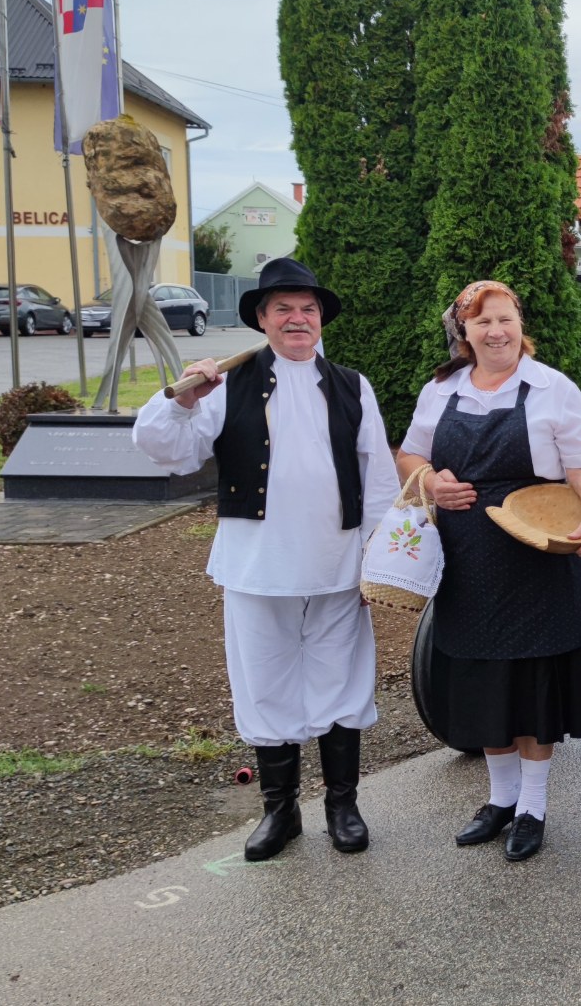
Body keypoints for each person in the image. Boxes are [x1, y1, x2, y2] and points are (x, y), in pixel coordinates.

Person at [132, 258, 400, 861]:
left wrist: (376, 558)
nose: (297, 319)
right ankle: (280, 811)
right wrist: (182, 400)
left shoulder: (352, 385)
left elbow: (378, 478)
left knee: (341, 679)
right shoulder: (227, 384)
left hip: (336, 563)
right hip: (257, 564)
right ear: (262, 318)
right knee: (263, 682)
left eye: (308, 309)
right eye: (284, 309)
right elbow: (165, 451)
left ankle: (343, 806)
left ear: (321, 319)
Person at [396, 280, 581, 862]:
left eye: (506, 319)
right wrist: (431, 481)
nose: (497, 331)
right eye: (483, 322)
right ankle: (500, 800)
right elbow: (410, 454)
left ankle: (532, 807)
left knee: (534, 682)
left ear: (520, 324)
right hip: (468, 554)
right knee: (483, 678)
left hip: (537, 549)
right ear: (463, 334)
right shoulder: (441, 390)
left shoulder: (551, 388)